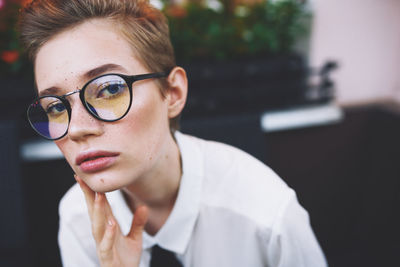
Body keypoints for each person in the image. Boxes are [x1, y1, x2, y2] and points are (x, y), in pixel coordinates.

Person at [20, 0, 327, 266]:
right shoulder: (78, 219)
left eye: (110, 89)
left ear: (173, 92)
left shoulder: (265, 216)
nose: (76, 129)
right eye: (55, 107)